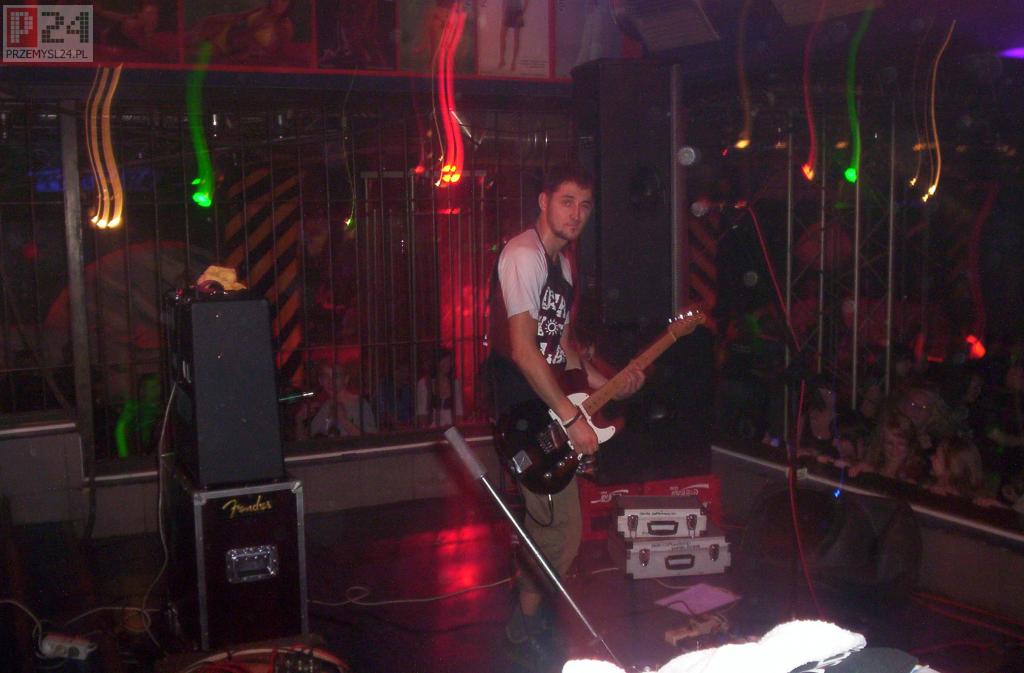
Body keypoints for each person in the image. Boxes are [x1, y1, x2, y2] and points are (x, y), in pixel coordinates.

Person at [483, 165, 644, 651]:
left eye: (585, 205)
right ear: (543, 201)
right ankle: (524, 624)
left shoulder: (564, 265)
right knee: (561, 529)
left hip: (549, 408)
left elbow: (563, 349)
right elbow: (524, 349)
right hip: (526, 416)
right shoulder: (523, 255)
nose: (577, 214)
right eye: (567, 201)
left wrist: (609, 384)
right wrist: (572, 418)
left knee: (550, 526)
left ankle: (528, 608)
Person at [294, 361, 377, 439]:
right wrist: (299, 420)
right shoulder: (326, 406)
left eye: (336, 376)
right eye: (326, 377)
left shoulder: (360, 404)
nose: (330, 381)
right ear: (320, 381)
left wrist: (343, 420)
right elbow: (305, 441)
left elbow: (371, 440)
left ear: (346, 379)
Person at [416, 347, 463, 427]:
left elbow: (459, 411)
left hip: (451, 427)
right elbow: (422, 412)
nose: (447, 364)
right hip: (432, 426)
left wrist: (455, 427)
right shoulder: (424, 383)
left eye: (449, 361)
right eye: (444, 360)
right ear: (436, 362)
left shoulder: (455, 383)